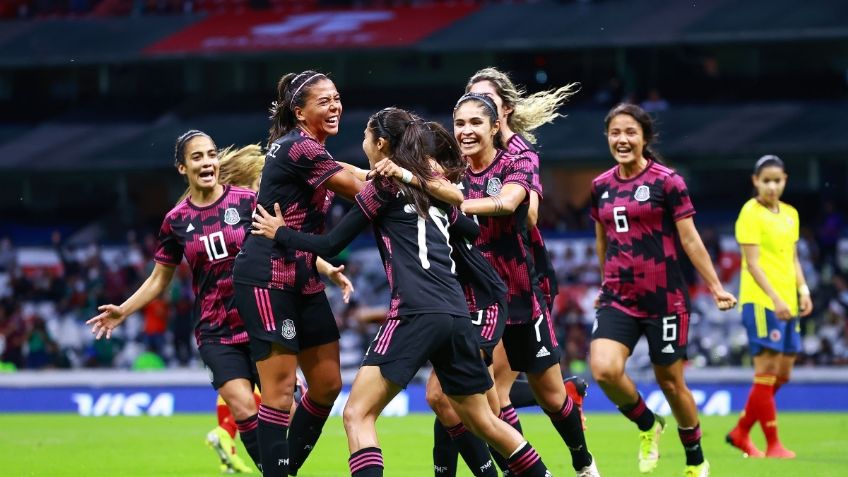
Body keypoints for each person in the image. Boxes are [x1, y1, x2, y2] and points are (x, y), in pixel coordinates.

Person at [252, 106, 554, 477]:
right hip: (457, 314)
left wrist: (280, 233)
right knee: (484, 421)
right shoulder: (431, 186)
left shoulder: (383, 188)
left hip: (415, 311)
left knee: (357, 414)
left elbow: (331, 243)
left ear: (379, 143)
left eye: (365, 135)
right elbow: (473, 232)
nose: (362, 142)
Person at [232, 71, 462, 477]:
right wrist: (420, 180)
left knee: (325, 385)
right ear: (299, 111)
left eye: (337, 98)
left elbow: (363, 178)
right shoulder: (299, 148)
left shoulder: (312, 151)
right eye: (324, 101)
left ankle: (282, 470)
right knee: (280, 393)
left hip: (303, 275)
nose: (335, 106)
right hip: (267, 274)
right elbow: (363, 190)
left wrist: (399, 174)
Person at [86, 133, 353, 474]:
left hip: (261, 319)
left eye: (211, 155)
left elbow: (281, 242)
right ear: (183, 167)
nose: (207, 162)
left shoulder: (247, 201)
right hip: (217, 332)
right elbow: (159, 279)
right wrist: (123, 310)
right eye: (197, 157)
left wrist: (327, 268)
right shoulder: (176, 220)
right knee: (244, 409)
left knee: (287, 414)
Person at [453, 93, 599, 477]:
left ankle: (583, 461)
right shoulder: (451, 168)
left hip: (520, 290)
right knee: (484, 396)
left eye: (476, 121)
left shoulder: (519, 158)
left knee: (551, 395)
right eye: (460, 123)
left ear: (498, 119)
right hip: (478, 296)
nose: (467, 130)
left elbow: (514, 205)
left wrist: (458, 201)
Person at [589, 103, 737, 477]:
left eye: (630, 132)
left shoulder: (667, 181)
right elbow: (602, 239)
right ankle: (647, 423)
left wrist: (715, 286)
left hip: (665, 298)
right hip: (619, 296)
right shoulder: (600, 186)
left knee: (671, 383)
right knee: (604, 370)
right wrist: (604, 280)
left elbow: (690, 239)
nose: (622, 139)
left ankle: (695, 459)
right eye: (615, 133)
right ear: (607, 137)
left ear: (644, 137)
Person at [726, 155, 813, 459]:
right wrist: (775, 298)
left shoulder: (790, 214)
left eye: (778, 180)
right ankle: (773, 444)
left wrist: (802, 290)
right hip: (762, 303)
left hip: (788, 301)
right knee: (765, 372)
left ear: (785, 180)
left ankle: (740, 431)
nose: (772, 186)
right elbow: (752, 264)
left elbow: (792, 258)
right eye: (766, 181)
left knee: (784, 373)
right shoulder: (750, 214)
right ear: (755, 182)